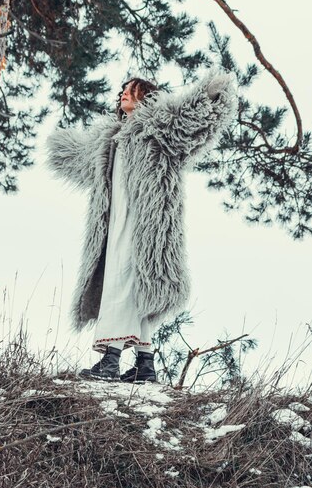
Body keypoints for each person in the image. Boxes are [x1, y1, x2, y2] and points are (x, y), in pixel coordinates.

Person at [46, 72, 236, 383]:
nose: (123, 94)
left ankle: (110, 360)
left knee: (124, 284)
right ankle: (145, 365)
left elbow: (188, 121)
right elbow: (80, 160)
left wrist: (210, 95)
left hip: (146, 226)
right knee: (134, 289)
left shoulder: (157, 129)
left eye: (131, 91)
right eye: (122, 90)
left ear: (145, 97)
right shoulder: (110, 139)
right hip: (115, 223)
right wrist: (60, 146)